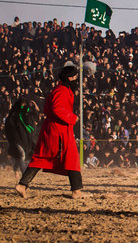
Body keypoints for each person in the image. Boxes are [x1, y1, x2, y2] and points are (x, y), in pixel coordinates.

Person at [15, 65, 87, 199]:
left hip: (57, 129)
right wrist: (73, 117)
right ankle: (76, 191)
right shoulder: (62, 91)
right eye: (76, 77)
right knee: (60, 157)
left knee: (51, 157)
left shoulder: (60, 89)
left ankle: (23, 185)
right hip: (57, 130)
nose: (77, 79)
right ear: (70, 78)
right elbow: (57, 109)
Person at [5, 98, 37, 178]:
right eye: (22, 105)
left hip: (25, 140)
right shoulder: (13, 115)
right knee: (22, 155)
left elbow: (35, 116)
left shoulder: (26, 115)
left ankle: (16, 169)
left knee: (21, 157)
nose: (23, 107)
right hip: (16, 139)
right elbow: (9, 127)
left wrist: (34, 106)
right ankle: (24, 177)